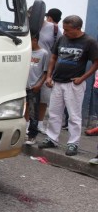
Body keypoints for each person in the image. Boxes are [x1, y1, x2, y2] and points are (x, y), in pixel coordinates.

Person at [38, 15, 98, 156]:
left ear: (77, 29)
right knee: (54, 113)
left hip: (74, 84)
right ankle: (52, 139)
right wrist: (49, 76)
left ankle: (73, 144)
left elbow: (96, 62)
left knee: (74, 116)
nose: (64, 32)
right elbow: (53, 57)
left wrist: (82, 78)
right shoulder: (62, 38)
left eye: (68, 30)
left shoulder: (89, 42)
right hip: (57, 82)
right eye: (64, 29)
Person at [25, 34, 49, 145]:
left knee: (33, 111)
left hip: (33, 87)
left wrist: (39, 85)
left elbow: (45, 72)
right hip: (22, 85)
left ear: (35, 40)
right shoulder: (25, 51)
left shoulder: (43, 53)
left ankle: (32, 136)